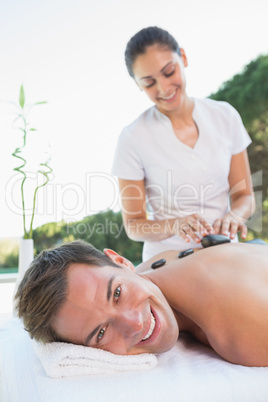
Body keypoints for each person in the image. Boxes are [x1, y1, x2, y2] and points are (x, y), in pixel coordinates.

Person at [112, 26, 256, 261]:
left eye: (169, 71)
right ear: (138, 85)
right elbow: (134, 225)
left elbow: (245, 196)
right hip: (168, 260)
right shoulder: (132, 138)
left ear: (184, 58)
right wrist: (174, 225)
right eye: (149, 83)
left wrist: (235, 217)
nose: (163, 89)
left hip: (225, 253)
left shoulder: (225, 116)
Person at [15, 239, 268, 367]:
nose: (134, 323)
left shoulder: (240, 327)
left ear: (122, 261)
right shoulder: (148, 271)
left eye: (116, 294)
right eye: (101, 332)